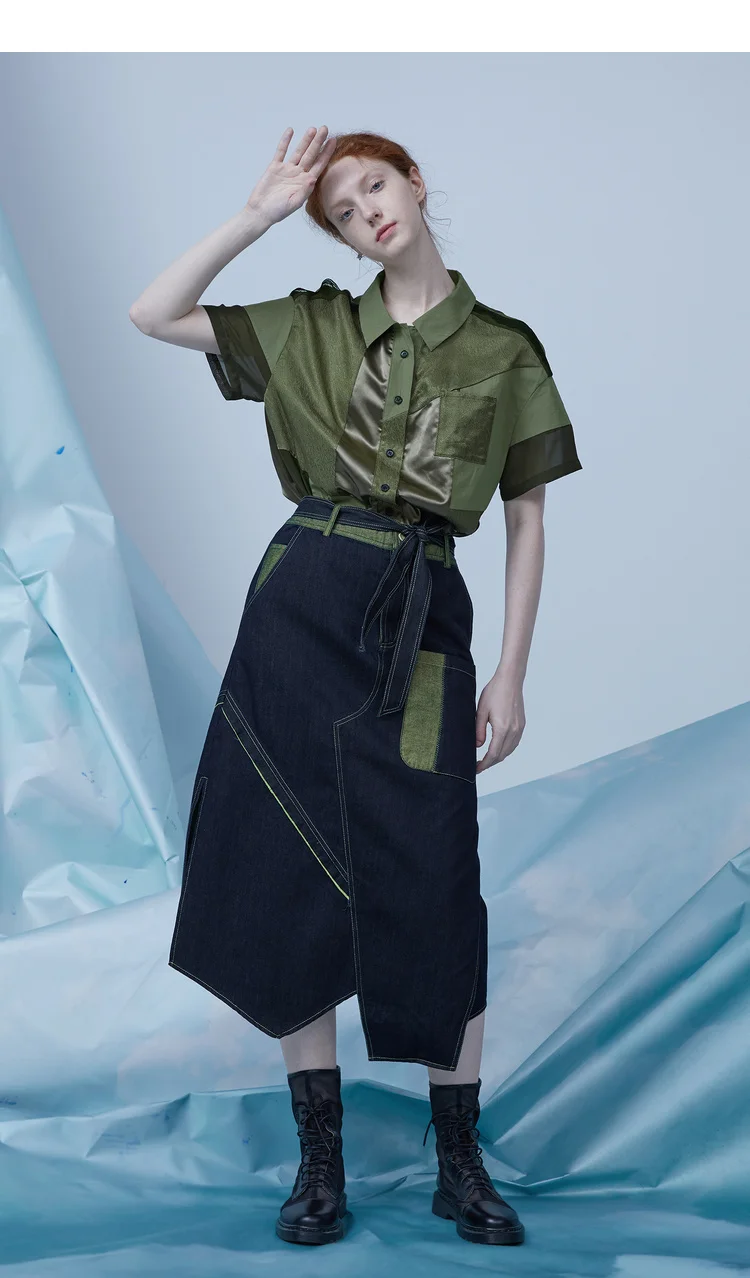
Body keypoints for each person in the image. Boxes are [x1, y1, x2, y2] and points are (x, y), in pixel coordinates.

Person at [129, 124, 582, 1249]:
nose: (366, 211)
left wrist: (512, 671)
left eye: (374, 186)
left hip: (425, 619)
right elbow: (154, 313)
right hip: (302, 603)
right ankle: (319, 1164)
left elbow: (526, 518)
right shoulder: (312, 327)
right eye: (341, 211)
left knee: (436, 876)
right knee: (292, 866)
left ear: (414, 184)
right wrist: (258, 217)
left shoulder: (506, 350)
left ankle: (459, 1165)